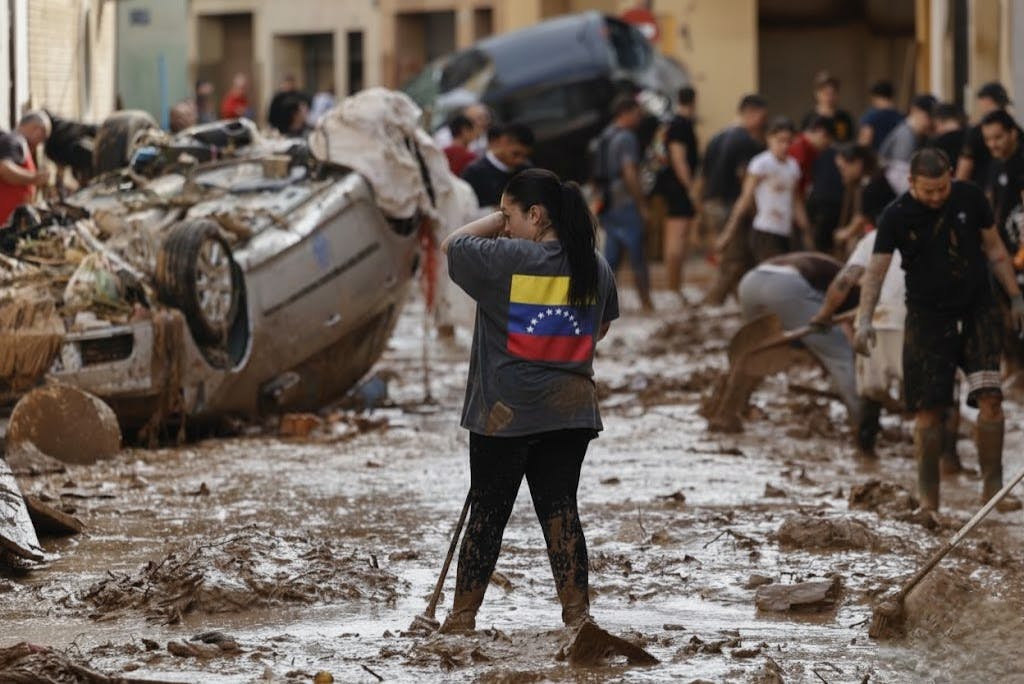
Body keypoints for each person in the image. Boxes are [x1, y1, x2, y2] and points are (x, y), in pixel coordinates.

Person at [438, 167, 619, 634]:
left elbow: (453, 245)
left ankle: (461, 621)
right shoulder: (594, 264)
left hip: (506, 413)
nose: (505, 223)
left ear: (535, 215)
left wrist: (495, 223)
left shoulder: (507, 259)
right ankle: (578, 617)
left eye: (509, 214)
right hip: (571, 410)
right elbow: (600, 327)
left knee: (488, 516)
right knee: (561, 512)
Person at [855, 148, 1024, 512]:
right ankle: (929, 499)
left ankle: (992, 490)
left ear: (950, 176)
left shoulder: (970, 197)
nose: (936, 197)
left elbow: (994, 249)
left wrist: (1015, 297)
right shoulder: (895, 216)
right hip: (927, 319)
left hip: (978, 310)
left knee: (991, 398)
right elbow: (877, 270)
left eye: (942, 188)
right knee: (928, 410)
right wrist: (864, 318)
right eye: (928, 191)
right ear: (912, 182)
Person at [732, 252, 862, 428]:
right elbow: (848, 335)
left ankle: (735, 406)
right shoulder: (856, 290)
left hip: (750, 282)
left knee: (759, 352)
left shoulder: (827, 266)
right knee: (842, 356)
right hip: (785, 286)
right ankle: (861, 422)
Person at [702, 94, 768, 304]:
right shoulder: (746, 141)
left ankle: (743, 301)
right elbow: (744, 178)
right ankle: (712, 302)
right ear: (752, 113)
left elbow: (703, 176)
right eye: (762, 117)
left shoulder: (716, 138)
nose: (763, 123)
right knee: (734, 259)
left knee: (739, 257)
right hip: (732, 204)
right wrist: (754, 208)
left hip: (713, 203)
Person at [716, 117, 808, 263]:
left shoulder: (793, 166)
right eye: (780, 140)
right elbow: (745, 198)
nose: (784, 146)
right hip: (765, 230)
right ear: (769, 139)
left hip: (785, 231)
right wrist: (728, 233)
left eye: (788, 141)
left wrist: (805, 229)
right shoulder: (761, 163)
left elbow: (795, 200)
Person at [594, 94, 653, 310]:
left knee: (612, 256)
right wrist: (642, 204)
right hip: (625, 201)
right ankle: (646, 302)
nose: (639, 119)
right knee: (637, 254)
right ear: (625, 113)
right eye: (637, 114)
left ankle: (600, 304)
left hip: (608, 201)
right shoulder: (627, 137)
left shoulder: (605, 135)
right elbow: (629, 172)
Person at [651, 86, 699, 300]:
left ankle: (676, 285)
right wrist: (690, 188)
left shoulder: (675, 123)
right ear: (694, 101)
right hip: (677, 188)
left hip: (675, 187)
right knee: (676, 238)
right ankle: (672, 287)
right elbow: (678, 159)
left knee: (678, 237)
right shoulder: (680, 125)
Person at [956, 82, 1024, 187]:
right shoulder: (976, 133)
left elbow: (963, 171)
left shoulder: (1013, 130)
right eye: (987, 139)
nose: (992, 144)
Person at [832, 144, 896, 255]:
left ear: (857, 164)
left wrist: (845, 233)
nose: (842, 172)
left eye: (843, 168)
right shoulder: (868, 180)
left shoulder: (872, 184)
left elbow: (862, 218)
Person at [461, 123, 534, 208]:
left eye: (525, 156)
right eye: (516, 154)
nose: (520, 160)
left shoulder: (527, 170)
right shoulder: (474, 172)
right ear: (503, 141)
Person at [0, 111, 51, 227]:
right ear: (38, 130)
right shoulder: (15, 141)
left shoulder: (17, 144)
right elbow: (3, 168)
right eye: (43, 137)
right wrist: (35, 178)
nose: (40, 143)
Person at [878, 94, 936, 195]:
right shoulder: (905, 136)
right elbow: (900, 180)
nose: (931, 122)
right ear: (915, 111)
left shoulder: (918, 135)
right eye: (928, 117)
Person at [801, 71, 855, 143]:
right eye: (825, 93)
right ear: (817, 94)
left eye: (833, 93)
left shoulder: (844, 117)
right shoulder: (809, 119)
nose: (829, 97)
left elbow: (849, 141)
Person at [858, 80, 903, 151]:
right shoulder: (900, 117)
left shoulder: (871, 116)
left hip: (875, 159)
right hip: (895, 158)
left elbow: (865, 141)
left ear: (875, 97)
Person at [930, 102, 966, 169]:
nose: (936, 131)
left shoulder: (939, 142)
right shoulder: (970, 136)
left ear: (938, 121)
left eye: (935, 126)